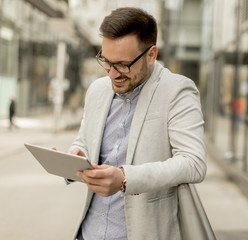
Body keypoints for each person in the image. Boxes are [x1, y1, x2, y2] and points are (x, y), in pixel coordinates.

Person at [67, 7, 206, 240]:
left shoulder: (177, 91)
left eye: (122, 64)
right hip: (88, 233)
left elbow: (193, 163)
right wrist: (76, 153)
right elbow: (84, 140)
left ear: (151, 55)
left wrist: (124, 179)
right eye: (106, 61)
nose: (112, 74)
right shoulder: (96, 91)